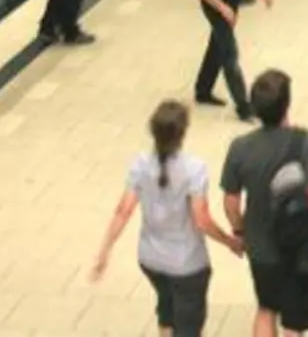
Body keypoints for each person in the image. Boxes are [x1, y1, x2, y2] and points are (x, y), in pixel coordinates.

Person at [90, 101, 241, 337]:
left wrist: (104, 252)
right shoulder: (194, 169)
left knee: (167, 307)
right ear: (183, 132)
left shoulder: (140, 164)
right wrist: (229, 241)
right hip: (186, 263)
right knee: (188, 324)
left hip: (150, 258)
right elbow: (201, 220)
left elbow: (123, 210)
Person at [221, 70, 308, 337]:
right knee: (293, 324)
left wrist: (239, 232)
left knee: (266, 308)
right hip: (297, 247)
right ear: (287, 104)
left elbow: (230, 203)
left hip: (260, 246)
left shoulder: (240, 147)